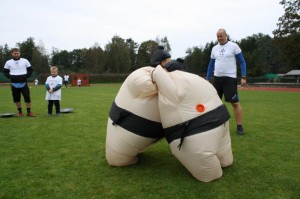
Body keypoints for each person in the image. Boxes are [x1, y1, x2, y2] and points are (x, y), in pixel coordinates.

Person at [206, 28, 247, 135]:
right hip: (217, 79)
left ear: (226, 35)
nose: (219, 38)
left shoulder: (234, 46)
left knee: (235, 103)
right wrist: (207, 78)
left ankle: (239, 126)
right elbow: (211, 64)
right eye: (217, 36)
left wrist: (243, 76)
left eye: (221, 36)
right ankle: (213, 125)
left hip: (230, 79)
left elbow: (242, 62)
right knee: (214, 103)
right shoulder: (214, 48)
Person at [3, 48, 35, 117]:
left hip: (23, 83)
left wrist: (26, 76)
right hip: (14, 84)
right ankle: (20, 112)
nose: (16, 55)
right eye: (15, 53)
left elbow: (30, 70)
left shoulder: (25, 61)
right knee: (16, 99)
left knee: (27, 97)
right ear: (12, 54)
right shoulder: (8, 62)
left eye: (17, 53)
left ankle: (29, 112)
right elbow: (5, 72)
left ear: (19, 53)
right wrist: (10, 77)